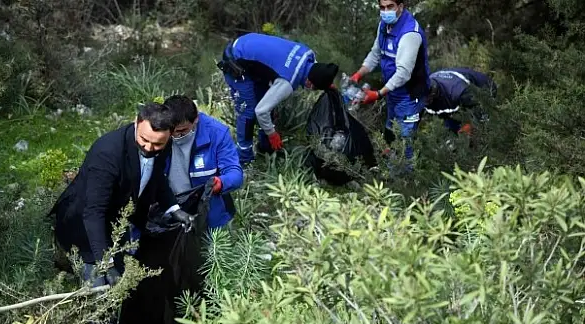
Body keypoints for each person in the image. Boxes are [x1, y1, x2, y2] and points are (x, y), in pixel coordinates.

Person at [48, 102, 193, 324]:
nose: (149, 148)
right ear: (136, 123)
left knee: (118, 284)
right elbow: (92, 214)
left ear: (169, 135)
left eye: (157, 144)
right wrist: (107, 263)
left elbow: (157, 179)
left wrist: (174, 209)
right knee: (99, 283)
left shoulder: (160, 145)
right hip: (82, 225)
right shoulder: (107, 153)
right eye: (145, 140)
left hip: (116, 220)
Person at [217, 32, 340, 164]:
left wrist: (327, 83)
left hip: (251, 51)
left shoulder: (307, 55)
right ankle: (244, 158)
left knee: (265, 101)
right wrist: (272, 134)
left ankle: (264, 148)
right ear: (309, 83)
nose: (310, 89)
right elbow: (261, 111)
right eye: (313, 88)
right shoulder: (286, 82)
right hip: (236, 59)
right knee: (248, 112)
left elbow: (318, 71)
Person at [349, 0, 430, 170]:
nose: (385, 11)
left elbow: (403, 73)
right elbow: (375, 54)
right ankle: (391, 172)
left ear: (400, 6)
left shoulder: (410, 34)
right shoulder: (384, 25)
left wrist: (378, 94)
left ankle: (405, 184)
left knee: (404, 139)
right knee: (391, 131)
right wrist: (359, 74)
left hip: (410, 95)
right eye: (382, 7)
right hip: (393, 92)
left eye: (390, 7)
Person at [163, 95, 244, 229]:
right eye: (171, 131)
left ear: (196, 120)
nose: (176, 136)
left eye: (182, 131)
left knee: (213, 246)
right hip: (171, 209)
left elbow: (235, 173)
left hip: (211, 213)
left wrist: (221, 183)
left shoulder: (217, 133)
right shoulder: (159, 131)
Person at [425, 67, 498, 136]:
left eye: (426, 100)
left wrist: (470, 126)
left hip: (484, 89)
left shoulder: (458, 91)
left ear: (433, 94)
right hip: (454, 97)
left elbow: (480, 105)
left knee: (477, 130)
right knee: (451, 130)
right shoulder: (422, 88)